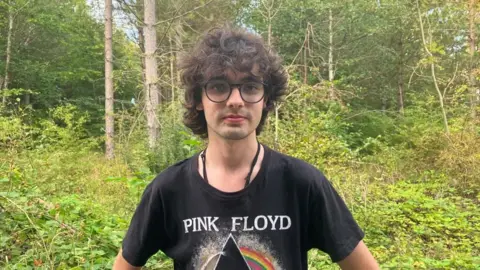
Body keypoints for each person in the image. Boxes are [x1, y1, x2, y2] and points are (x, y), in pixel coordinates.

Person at [113, 25, 379, 270]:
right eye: (219, 86)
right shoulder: (169, 189)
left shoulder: (302, 183)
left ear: (266, 101)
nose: (236, 100)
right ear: (197, 99)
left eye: (250, 87)